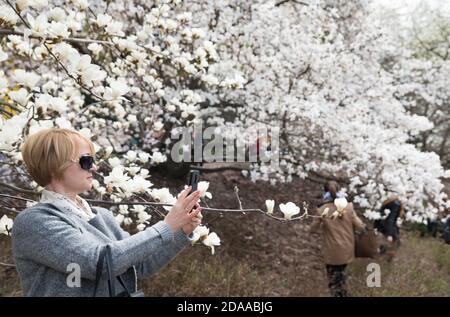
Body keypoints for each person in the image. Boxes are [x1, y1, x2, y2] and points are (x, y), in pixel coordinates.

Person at [11, 128, 203, 297]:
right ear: (54, 165)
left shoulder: (101, 216)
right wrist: (166, 226)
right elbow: (98, 263)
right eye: (86, 161)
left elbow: (140, 266)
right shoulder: (34, 222)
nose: (94, 167)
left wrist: (180, 231)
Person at [310, 181, 366, 297]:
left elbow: (313, 229)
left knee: (334, 280)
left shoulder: (322, 210)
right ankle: (343, 293)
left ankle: (341, 294)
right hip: (347, 249)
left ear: (325, 192)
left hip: (331, 251)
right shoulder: (348, 207)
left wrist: (323, 227)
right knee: (340, 276)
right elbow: (360, 226)